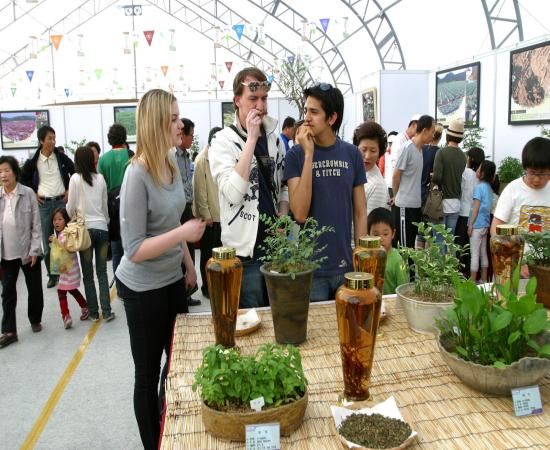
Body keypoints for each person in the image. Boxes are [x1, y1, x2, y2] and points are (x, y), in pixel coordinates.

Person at [115, 89, 205, 449]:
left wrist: (188, 264)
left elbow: (170, 221)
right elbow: (134, 248)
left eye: (178, 116)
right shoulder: (136, 175)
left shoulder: (170, 163)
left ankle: (170, 429)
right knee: (148, 373)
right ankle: (153, 442)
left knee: (178, 365)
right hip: (142, 290)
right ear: (155, 123)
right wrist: (183, 235)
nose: (180, 123)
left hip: (171, 281)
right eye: (172, 118)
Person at [209, 67, 288, 308]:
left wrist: (283, 214)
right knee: (250, 321)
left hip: (275, 248)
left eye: (264, 98)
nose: (260, 106)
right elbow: (233, 193)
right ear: (237, 101)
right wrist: (252, 140)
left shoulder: (274, 138)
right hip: (244, 254)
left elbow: (283, 185)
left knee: (277, 318)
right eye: (253, 99)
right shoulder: (222, 141)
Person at [284, 83, 367, 301]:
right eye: (306, 110)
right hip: (309, 269)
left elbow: (360, 212)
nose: (306, 118)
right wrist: (309, 155)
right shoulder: (295, 156)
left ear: (331, 118)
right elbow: (299, 213)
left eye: (314, 112)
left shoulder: (352, 154)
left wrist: (361, 260)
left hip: (346, 266)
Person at [21, 125, 75, 288]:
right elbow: (23, 179)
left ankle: (63, 271)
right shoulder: (33, 161)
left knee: (63, 239)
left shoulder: (61, 158)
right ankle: (52, 275)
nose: (53, 141)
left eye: (54, 138)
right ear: (41, 141)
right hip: (44, 205)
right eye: (49, 138)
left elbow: (74, 172)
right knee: (47, 240)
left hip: (60, 202)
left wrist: (68, 190)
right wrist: (34, 193)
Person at [0, 156, 44, 348]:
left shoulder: (27, 193)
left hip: (28, 251)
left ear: (15, 172)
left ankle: (35, 318)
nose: (3, 175)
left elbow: (36, 225)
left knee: (34, 289)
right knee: (8, 292)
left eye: (6, 170)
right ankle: (9, 330)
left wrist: (35, 249)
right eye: (0, 172)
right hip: (6, 254)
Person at [67, 146, 113, 323]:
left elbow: (70, 207)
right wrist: (105, 222)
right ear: (92, 160)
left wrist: (74, 218)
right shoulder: (100, 179)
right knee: (102, 272)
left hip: (84, 231)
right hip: (102, 229)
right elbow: (104, 206)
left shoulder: (75, 180)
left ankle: (93, 312)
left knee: (88, 274)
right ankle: (107, 311)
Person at [391, 115, 435, 249]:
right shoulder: (407, 148)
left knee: (412, 248)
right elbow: (396, 176)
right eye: (432, 131)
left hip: (415, 206)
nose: (433, 135)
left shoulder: (421, 150)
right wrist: (397, 196)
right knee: (405, 249)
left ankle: (410, 271)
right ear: (425, 130)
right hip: (404, 206)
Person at [492, 137, 550, 236]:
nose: (536, 179)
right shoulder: (513, 189)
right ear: (524, 168)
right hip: (515, 250)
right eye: (532, 173)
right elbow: (496, 228)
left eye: (542, 174)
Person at [97, 123, 134, 275]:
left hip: (111, 209)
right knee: (131, 250)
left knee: (116, 250)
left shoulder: (103, 160)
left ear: (109, 139)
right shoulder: (131, 155)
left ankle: (119, 285)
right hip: (130, 205)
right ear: (124, 137)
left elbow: (101, 186)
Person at [192, 126, 223, 299]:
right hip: (210, 218)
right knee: (207, 255)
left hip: (221, 215)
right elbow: (200, 191)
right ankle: (207, 288)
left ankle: (217, 285)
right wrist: (206, 216)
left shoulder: (218, 156)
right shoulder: (201, 160)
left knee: (219, 254)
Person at [50, 207, 89, 328]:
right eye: (54, 220)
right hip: (67, 270)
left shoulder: (65, 234)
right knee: (71, 290)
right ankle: (84, 307)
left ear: (65, 220)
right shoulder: (63, 234)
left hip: (68, 271)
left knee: (62, 292)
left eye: (60, 219)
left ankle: (66, 316)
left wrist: (55, 242)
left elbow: (65, 248)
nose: (56, 222)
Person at [176, 118, 201, 307]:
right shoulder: (171, 155)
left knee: (189, 251)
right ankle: (180, 294)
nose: (192, 139)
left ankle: (188, 292)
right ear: (182, 135)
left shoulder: (186, 155)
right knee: (179, 252)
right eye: (190, 135)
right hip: (177, 209)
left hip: (188, 207)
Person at [432, 119, 467, 237]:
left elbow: (437, 177)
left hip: (441, 202)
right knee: (449, 240)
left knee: (439, 241)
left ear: (447, 135)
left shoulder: (441, 153)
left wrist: (432, 177)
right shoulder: (463, 156)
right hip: (456, 203)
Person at [456, 147, 485, 276]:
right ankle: (472, 273)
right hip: (476, 217)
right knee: (474, 248)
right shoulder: (482, 177)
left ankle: (461, 272)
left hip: (463, 213)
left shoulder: (466, 172)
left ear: (471, 158)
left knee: (460, 246)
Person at [367, 207, 408, 294]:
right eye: (376, 234)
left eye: (385, 234)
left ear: (393, 234)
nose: (381, 239)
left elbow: (403, 289)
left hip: (391, 304)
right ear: (368, 235)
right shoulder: (366, 257)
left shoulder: (397, 260)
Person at [468, 160, 496, 283]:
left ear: (483, 173)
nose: (477, 171)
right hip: (485, 225)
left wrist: (470, 225)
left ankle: (473, 281)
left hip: (477, 225)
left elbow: (475, 208)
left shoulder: (479, 188)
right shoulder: (489, 188)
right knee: (483, 253)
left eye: (479, 169)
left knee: (474, 254)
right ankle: (484, 279)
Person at [353, 121, 389, 215]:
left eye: (373, 151)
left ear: (379, 152)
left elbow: (370, 225)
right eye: (363, 150)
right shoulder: (354, 171)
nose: (367, 156)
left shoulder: (377, 186)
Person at [386, 116, 419, 197]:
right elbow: (395, 165)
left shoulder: (409, 140)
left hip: (402, 185)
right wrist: (395, 194)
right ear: (414, 125)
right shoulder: (399, 139)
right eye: (420, 128)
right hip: (395, 185)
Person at [421, 123, 443, 205]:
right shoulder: (439, 152)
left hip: (418, 189)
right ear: (440, 137)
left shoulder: (422, 149)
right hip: (431, 192)